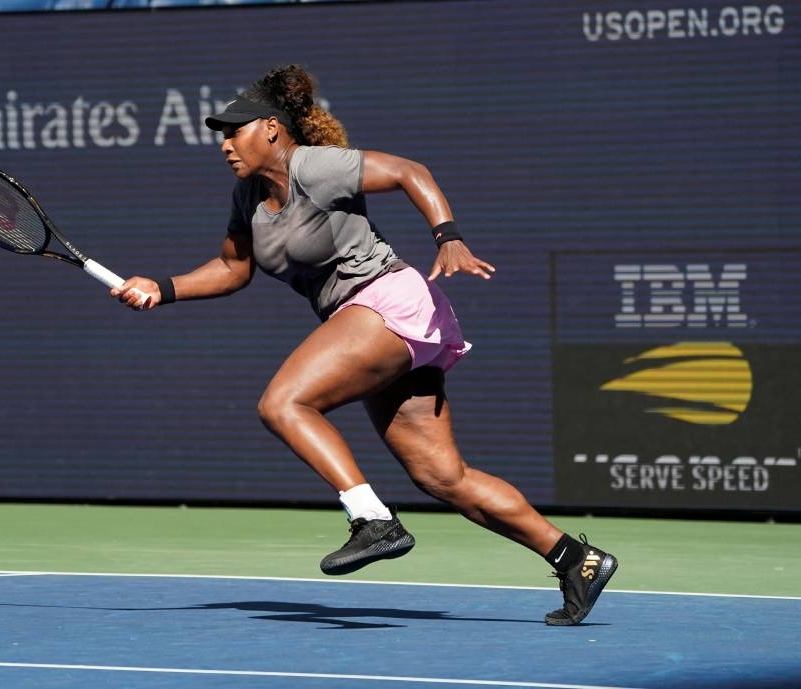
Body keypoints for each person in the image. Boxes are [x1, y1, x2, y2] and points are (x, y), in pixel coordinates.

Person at [111, 64, 617, 626]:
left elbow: (407, 171)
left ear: (273, 129)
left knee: (283, 403)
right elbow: (233, 269)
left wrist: (447, 237)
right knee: (443, 478)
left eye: (236, 130)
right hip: (379, 323)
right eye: (222, 135)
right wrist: (163, 287)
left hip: (387, 302)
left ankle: (371, 519)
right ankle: (576, 558)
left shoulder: (315, 166)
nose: (226, 144)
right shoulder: (247, 198)